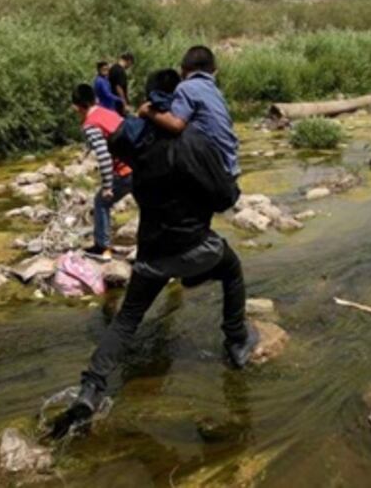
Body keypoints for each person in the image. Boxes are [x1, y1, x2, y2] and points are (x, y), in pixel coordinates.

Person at [49, 70, 256, 440]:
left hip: (152, 255)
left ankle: (90, 392)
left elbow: (118, 140)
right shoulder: (196, 141)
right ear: (178, 99)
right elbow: (227, 198)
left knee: (127, 320)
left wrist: (141, 120)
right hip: (197, 248)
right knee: (232, 269)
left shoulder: (136, 143)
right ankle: (237, 343)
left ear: (148, 101)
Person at [140, 46, 240, 178]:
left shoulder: (186, 87)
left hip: (214, 168)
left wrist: (147, 111)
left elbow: (176, 125)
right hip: (230, 164)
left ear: (183, 69)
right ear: (213, 70)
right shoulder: (215, 91)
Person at [71, 83, 132, 261]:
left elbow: (104, 157)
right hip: (140, 164)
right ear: (95, 99)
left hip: (125, 171)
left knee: (101, 202)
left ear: (77, 107)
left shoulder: (90, 124)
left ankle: (103, 248)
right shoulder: (108, 113)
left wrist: (107, 186)